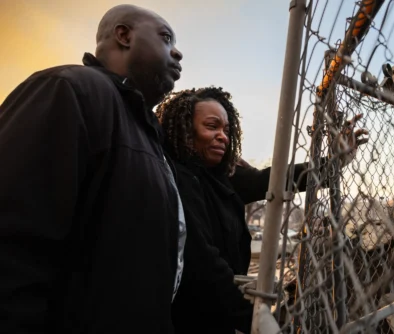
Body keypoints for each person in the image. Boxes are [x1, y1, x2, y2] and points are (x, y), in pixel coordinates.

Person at [0, 5, 184, 334]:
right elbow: (14, 243)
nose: (178, 52)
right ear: (124, 35)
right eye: (166, 38)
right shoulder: (67, 89)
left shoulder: (145, 132)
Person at [156, 87, 368, 334]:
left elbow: (275, 179)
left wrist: (333, 162)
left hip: (220, 317)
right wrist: (254, 319)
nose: (223, 136)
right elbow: (203, 263)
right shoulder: (177, 178)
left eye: (226, 130)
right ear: (184, 130)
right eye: (212, 126)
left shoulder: (223, 177)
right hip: (188, 319)